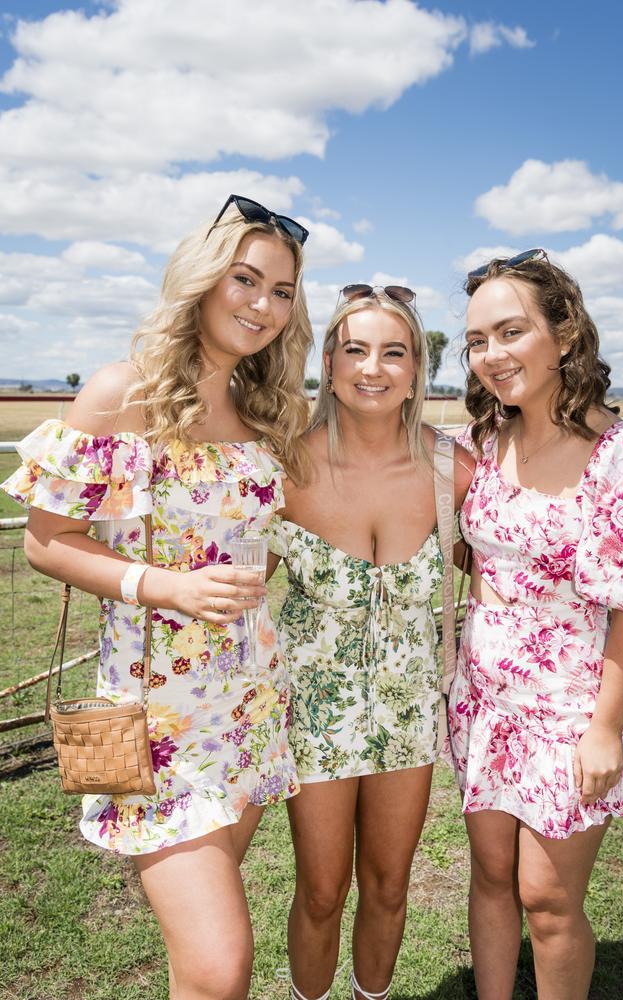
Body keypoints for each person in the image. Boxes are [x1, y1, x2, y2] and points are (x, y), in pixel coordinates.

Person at [2, 194, 313, 1000]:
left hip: (247, 708)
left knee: (195, 966)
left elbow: (254, 552)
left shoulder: (262, 409)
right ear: (202, 281)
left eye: (282, 291)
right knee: (220, 965)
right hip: (145, 724)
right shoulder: (120, 391)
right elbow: (45, 543)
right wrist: (169, 585)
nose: (264, 305)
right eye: (247, 280)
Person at [447, 248, 623, 1000]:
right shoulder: (482, 442)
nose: (491, 356)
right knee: (491, 877)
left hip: (573, 710)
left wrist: (606, 727)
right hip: (483, 701)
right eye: (476, 341)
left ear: (565, 334)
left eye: (510, 332)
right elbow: (485, 559)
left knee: (549, 898)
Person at [268, 284, 474, 1000]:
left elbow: (519, 570)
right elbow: (228, 594)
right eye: (354, 349)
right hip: (314, 715)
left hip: (410, 713)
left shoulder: (454, 471)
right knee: (321, 891)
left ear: (418, 368)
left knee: (388, 887)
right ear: (328, 360)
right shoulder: (286, 468)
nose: (373, 368)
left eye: (394, 352)